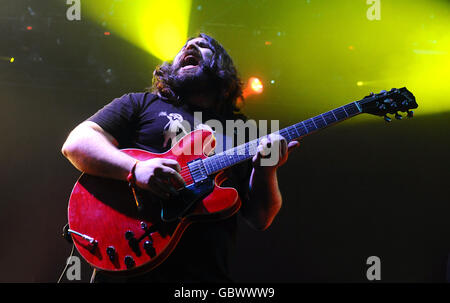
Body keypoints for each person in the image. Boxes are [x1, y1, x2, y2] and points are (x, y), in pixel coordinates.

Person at [61, 33, 299, 282]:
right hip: (130, 256)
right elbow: (77, 143)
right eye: (185, 45)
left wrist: (266, 170)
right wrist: (135, 169)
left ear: (222, 66)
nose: (190, 45)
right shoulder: (143, 103)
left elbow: (261, 218)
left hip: (203, 275)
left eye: (202, 45)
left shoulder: (242, 130)